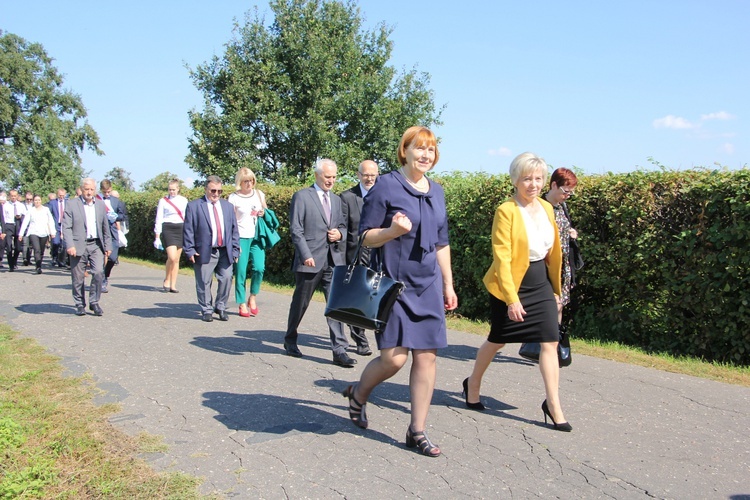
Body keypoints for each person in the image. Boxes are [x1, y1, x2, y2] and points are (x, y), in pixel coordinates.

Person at [341, 126, 458, 458]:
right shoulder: (386, 186)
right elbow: (364, 236)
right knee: (393, 359)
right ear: (404, 150)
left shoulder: (437, 191)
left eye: (431, 150)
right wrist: (392, 231)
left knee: (427, 356)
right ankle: (359, 394)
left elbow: (441, 243)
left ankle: (416, 430)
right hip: (394, 285)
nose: (425, 155)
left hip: (429, 285)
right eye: (419, 148)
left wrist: (448, 284)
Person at [463, 152, 571, 431]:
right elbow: (502, 257)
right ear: (515, 180)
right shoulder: (506, 210)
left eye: (538, 178)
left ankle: (553, 404)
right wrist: (511, 299)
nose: (533, 184)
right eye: (527, 178)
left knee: (550, 341)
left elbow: (552, 252)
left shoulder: (547, 208)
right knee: (498, 340)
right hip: (509, 282)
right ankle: (472, 383)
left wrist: (555, 289)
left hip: (540, 282)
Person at [284, 159, 355, 367]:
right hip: (310, 260)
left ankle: (339, 350)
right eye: (327, 177)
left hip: (333, 261)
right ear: (317, 175)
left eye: (334, 177)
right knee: (300, 303)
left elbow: (343, 226)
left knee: (335, 305)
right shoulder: (302, 197)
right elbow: (296, 229)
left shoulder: (336, 200)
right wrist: (305, 253)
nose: (331, 181)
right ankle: (290, 339)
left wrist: (339, 234)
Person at [183, 176, 240, 322]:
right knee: (203, 280)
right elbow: (188, 230)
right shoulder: (194, 206)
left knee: (227, 278)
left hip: (224, 250)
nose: (216, 194)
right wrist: (189, 249)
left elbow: (234, 230)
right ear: (206, 189)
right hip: (204, 250)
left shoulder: (227, 206)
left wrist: (235, 249)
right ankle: (206, 309)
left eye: (219, 191)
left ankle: (220, 306)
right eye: (213, 190)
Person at [339, 160, 380, 356]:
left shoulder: (384, 195)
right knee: (357, 298)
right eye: (365, 174)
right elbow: (343, 228)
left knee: (376, 297)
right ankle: (360, 339)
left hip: (380, 253)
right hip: (355, 253)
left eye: (373, 174)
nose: (369, 178)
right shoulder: (347, 197)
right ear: (358, 175)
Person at [62, 178, 112, 316]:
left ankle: (94, 302)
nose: (89, 192)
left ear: (94, 190)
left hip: (96, 244)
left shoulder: (100, 205)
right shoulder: (72, 204)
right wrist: (70, 245)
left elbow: (105, 227)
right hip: (78, 244)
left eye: (91, 189)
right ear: (81, 190)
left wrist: (108, 245)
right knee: (78, 277)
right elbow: (66, 227)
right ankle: (79, 304)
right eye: (86, 189)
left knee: (98, 272)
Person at [543, 168, 580, 330]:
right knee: (554, 305)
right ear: (553, 185)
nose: (567, 196)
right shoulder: (541, 207)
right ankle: (545, 343)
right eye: (565, 191)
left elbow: (565, 226)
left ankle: (553, 343)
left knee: (560, 305)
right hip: (547, 265)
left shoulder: (562, 206)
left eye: (570, 193)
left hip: (563, 265)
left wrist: (571, 233)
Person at [228, 168, 268, 317]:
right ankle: (241, 303)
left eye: (251, 180)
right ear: (240, 182)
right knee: (241, 271)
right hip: (240, 237)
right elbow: (230, 220)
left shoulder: (259, 194)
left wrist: (263, 212)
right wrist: (233, 242)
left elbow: (265, 211)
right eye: (246, 181)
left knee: (259, 268)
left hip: (257, 236)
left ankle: (253, 297)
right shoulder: (233, 198)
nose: (249, 183)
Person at [154, 179, 188, 292]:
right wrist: (157, 236)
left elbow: (187, 216)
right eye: (170, 190)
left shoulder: (184, 200)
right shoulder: (163, 201)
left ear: (178, 189)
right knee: (172, 257)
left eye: (174, 189)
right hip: (168, 227)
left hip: (180, 227)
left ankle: (173, 284)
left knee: (176, 259)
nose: (172, 192)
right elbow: (159, 218)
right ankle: (167, 279)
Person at [98, 180, 126, 293]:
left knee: (113, 258)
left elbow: (123, 215)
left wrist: (115, 217)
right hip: (100, 231)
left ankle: (105, 275)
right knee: (100, 257)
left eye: (108, 192)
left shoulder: (116, 201)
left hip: (112, 231)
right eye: (104, 192)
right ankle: (100, 280)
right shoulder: (96, 200)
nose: (107, 194)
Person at [18, 194, 56, 273]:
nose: (37, 202)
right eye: (35, 200)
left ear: (41, 201)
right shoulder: (31, 210)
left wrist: (52, 232)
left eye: (38, 200)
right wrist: (21, 234)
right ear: (33, 201)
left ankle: (39, 263)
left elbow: (50, 221)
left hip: (44, 232)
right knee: (37, 249)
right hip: (33, 232)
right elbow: (25, 222)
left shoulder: (46, 209)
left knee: (41, 250)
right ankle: (38, 267)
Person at [3, 190, 26, 271]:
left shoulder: (21, 205)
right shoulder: (5, 205)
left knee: (18, 247)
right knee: (9, 246)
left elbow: (25, 216)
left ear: (17, 196)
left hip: (18, 225)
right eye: (12, 196)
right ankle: (11, 265)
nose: (13, 197)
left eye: (15, 196)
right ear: (9, 196)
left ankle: (14, 261)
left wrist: (20, 217)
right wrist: (3, 229)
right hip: (8, 225)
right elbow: (3, 218)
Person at [48, 188, 69, 268]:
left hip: (65, 225)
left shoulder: (68, 203)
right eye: (60, 195)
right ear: (57, 195)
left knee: (64, 244)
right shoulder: (52, 203)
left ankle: (62, 261)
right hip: (56, 225)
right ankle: (54, 257)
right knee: (56, 242)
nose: (61, 197)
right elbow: (49, 214)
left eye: (63, 195)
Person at [20, 191, 34, 266]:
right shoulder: (22, 205)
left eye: (30, 199)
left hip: (32, 227)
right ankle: (24, 258)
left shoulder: (34, 206)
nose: (29, 201)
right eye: (27, 199)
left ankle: (29, 258)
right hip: (25, 227)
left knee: (31, 245)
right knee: (25, 243)